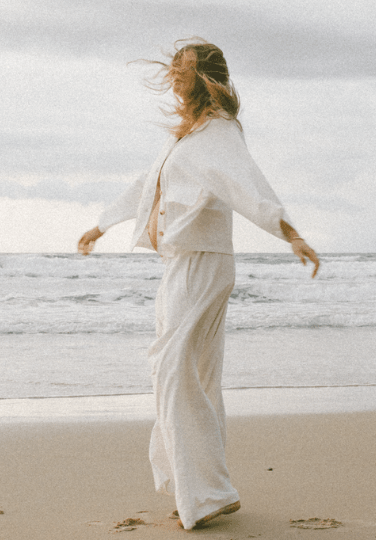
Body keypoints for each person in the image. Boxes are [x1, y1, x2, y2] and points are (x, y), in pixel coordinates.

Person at [77, 38, 319, 529]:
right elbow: (148, 184)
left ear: (208, 77)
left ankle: (205, 492)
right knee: (197, 377)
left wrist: (288, 232)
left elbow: (248, 186)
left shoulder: (220, 132)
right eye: (174, 66)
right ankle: (211, 489)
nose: (175, 74)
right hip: (182, 263)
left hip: (203, 264)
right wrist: (103, 223)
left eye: (185, 67)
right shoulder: (185, 135)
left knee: (171, 370)